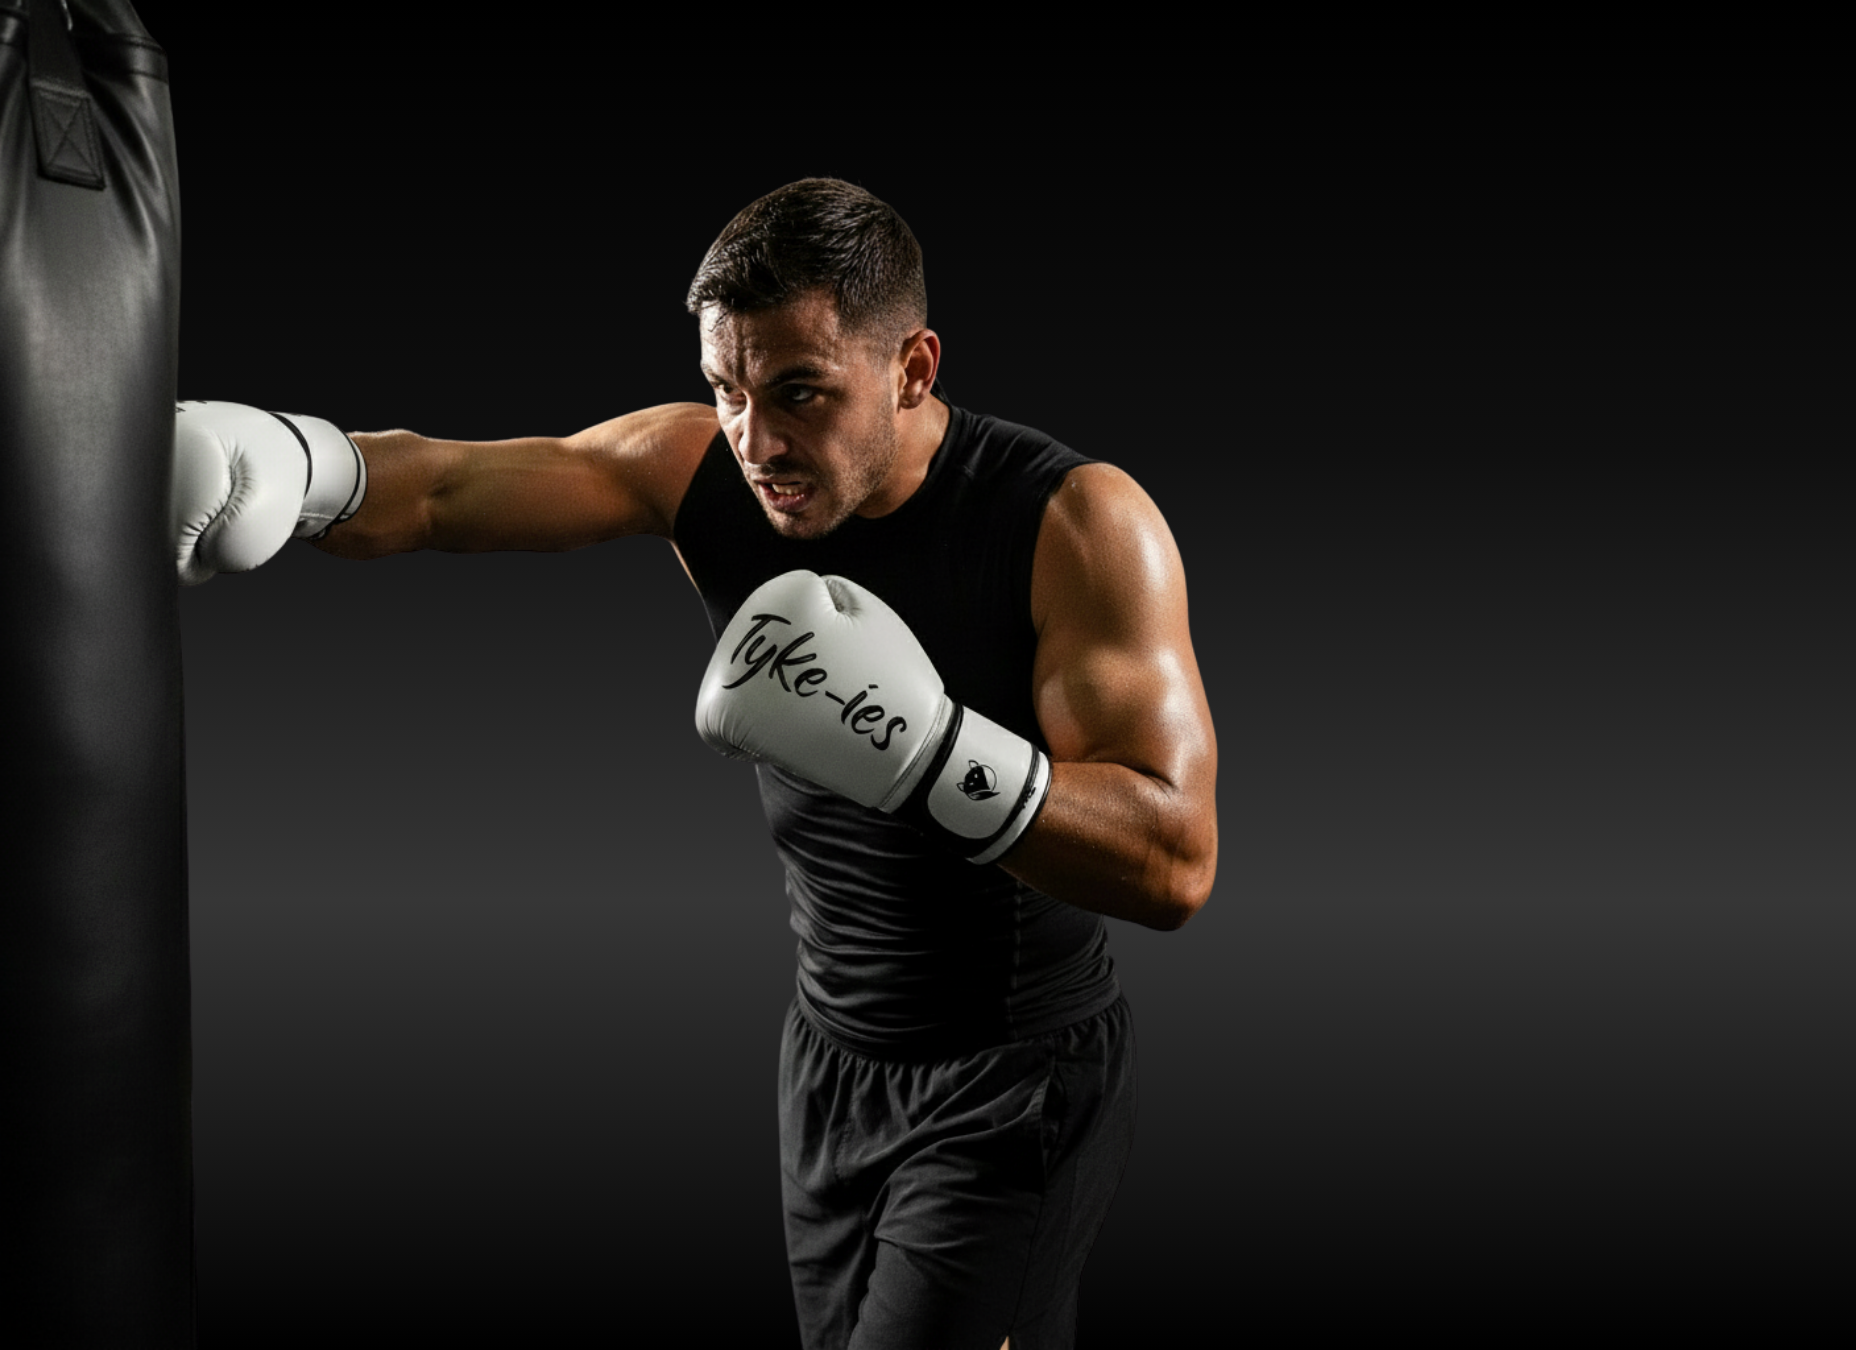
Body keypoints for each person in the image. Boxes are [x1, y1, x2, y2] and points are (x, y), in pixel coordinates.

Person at [173, 178, 1218, 1350]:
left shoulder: (1072, 522)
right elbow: (449, 491)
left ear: (913, 369)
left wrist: (927, 748)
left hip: (1009, 1079)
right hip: (828, 1061)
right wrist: (298, 463)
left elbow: (1174, 859)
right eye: (728, 388)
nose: (757, 440)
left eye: (801, 392)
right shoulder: (701, 465)